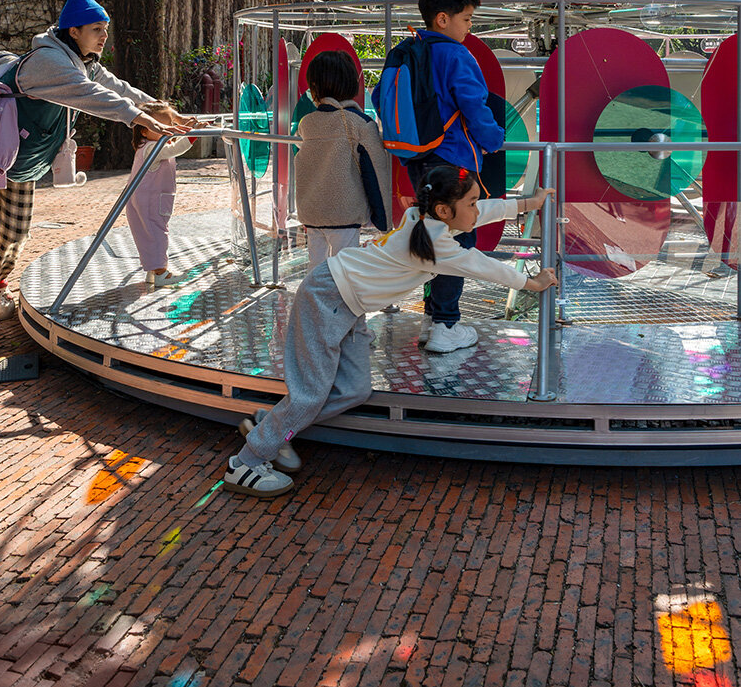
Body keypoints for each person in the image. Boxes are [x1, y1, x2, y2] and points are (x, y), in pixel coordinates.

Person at [223, 165, 556, 498]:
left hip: (348, 305)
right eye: (471, 203)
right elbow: (484, 266)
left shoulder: (423, 218)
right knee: (310, 393)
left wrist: (528, 203)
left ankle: (271, 426)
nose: (476, 209)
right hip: (326, 298)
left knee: (353, 391)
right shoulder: (434, 243)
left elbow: (484, 212)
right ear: (444, 210)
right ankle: (246, 462)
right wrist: (531, 282)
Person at [0, 0, 193, 353]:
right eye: (96, 29)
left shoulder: (84, 63)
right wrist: (139, 118)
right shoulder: (47, 61)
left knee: (15, 231)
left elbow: (119, 88)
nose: (104, 36)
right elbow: (94, 96)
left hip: (19, 159)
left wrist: (164, 112)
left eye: (105, 29)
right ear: (74, 31)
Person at [373, 0, 503, 355]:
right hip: (455, 162)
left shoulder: (408, 52)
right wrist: (495, 140)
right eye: (466, 19)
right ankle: (447, 325)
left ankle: (431, 318)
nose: (469, 27)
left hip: (418, 161)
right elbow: (475, 107)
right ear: (443, 19)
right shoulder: (456, 55)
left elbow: (380, 97)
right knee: (457, 241)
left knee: (433, 236)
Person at [295, 50, 391, 268]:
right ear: (352, 84)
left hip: (311, 212)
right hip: (344, 214)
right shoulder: (361, 124)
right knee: (344, 268)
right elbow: (376, 172)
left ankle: (314, 291)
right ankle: (339, 293)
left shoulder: (306, 123)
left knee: (316, 268)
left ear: (314, 87)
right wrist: (383, 219)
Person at [126, 100, 197, 288]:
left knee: (147, 234)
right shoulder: (153, 147)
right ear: (144, 130)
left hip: (143, 198)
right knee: (157, 233)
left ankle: (153, 270)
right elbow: (175, 149)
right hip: (151, 200)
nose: (169, 130)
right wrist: (193, 134)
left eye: (171, 124)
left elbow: (172, 146)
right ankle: (160, 272)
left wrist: (186, 128)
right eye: (162, 126)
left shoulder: (146, 145)